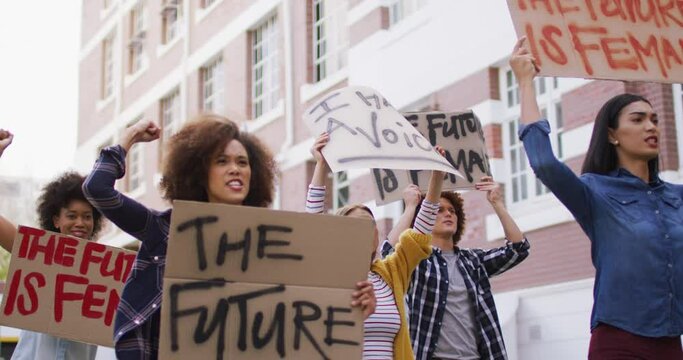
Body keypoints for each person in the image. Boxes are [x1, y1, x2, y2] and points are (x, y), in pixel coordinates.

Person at [82, 116, 375, 360]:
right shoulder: (165, 229)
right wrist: (129, 137)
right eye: (222, 161)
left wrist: (354, 303)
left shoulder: (273, 245)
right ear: (199, 172)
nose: (235, 168)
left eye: (242, 162)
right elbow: (97, 189)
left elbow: (305, 315)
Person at [511, 36, 683, 359]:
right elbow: (544, 163)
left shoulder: (677, 198)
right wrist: (524, 83)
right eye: (638, 119)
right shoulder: (595, 192)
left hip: (671, 343)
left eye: (654, 119)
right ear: (612, 134)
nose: (651, 127)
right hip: (618, 342)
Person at [306, 132, 445, 359]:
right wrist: (321, 165)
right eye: (355, 227)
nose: (364, 233)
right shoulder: (328, 274)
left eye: (370, 227)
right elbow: (314, 226)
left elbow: (419, 233)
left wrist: (437, 177)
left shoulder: (391, 273)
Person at [383, 176, 529, 359]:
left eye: (452, 210)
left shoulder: (473, 261)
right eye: (439, 210)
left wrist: (497, 203)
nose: (448, 214)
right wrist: (411, 207)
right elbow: (387, 254)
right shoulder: (419, 263)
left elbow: (518, 249)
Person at [0, 129, 104, 360]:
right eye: (71, 215)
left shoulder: (106, 271)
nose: (80, 223)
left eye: (87, 216)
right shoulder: (37, 254)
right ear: (56, 220)